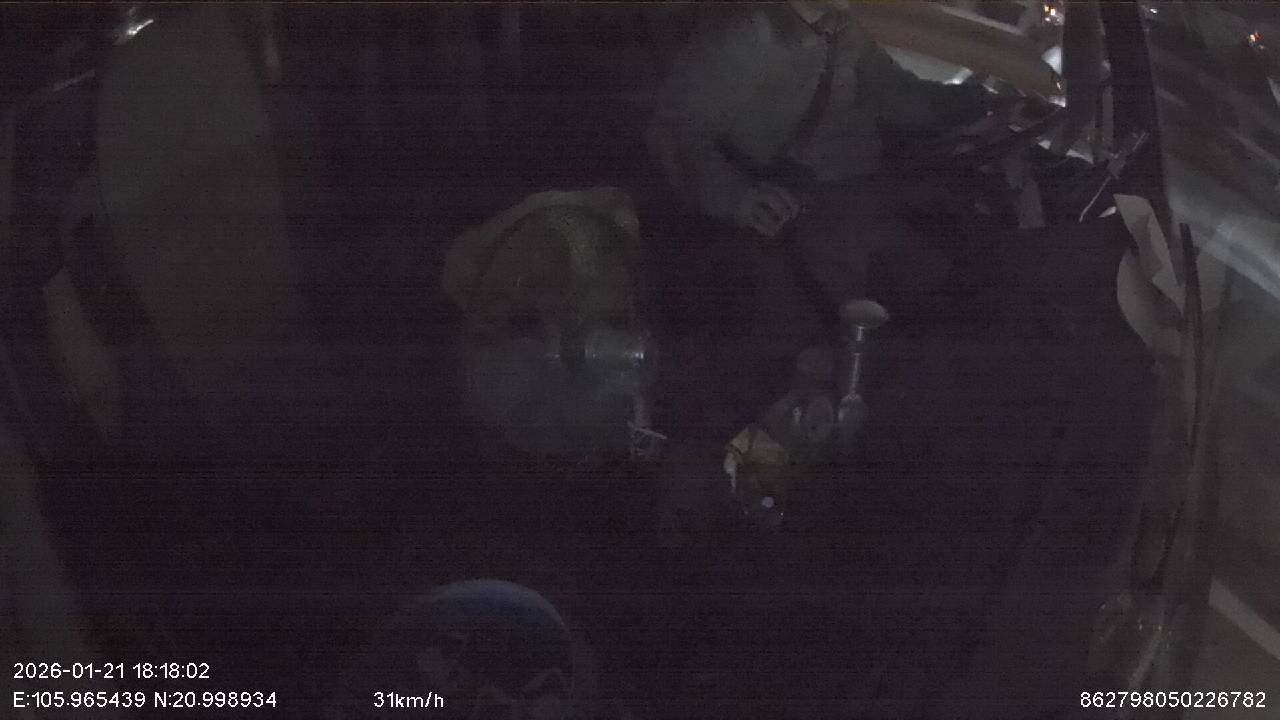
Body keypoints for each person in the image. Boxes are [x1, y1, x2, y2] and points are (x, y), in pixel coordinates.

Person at [648, 0, 998, 319]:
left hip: (862, 194)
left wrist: (980, 100)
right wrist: (739, 199)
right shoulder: (749, 33)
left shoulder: (841, 27)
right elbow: (676, 129)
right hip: (807, 211)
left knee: (960, 268)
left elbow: (903, 96)